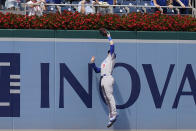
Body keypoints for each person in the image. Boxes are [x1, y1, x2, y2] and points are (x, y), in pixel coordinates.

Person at [90, 30, 118, 128]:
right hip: (103, 79)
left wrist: (109, 36)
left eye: (110, 52)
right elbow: (98, 70)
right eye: (109, 52)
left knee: (109, 96)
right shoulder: (105, 61)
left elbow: (112, 46)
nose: (109, 52)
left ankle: (114, 114)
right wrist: (93, 63)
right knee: (106, 99)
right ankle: (111, 116)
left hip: (108, 78)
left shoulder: (111, 58)